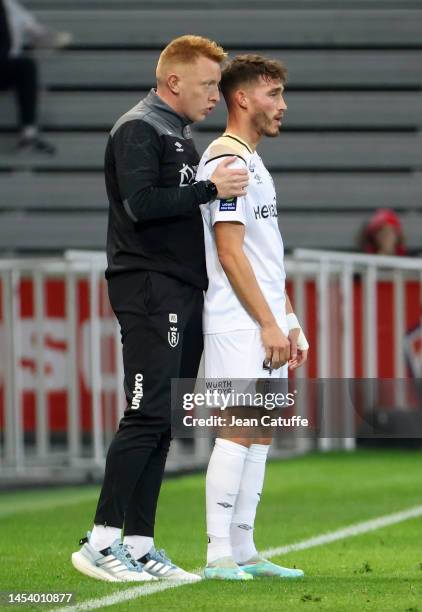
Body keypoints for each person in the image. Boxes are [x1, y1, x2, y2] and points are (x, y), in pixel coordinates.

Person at [71, 35, 249, 583]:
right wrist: (208, 187)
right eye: (207, 85)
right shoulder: (139, 128)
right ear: (173, 82)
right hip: (148, 284)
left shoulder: (175, 131)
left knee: (163, 419)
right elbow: (140, 204)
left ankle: (141, 544)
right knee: (146, 411)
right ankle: (100, 542)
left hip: (177, 285)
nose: (216, 97)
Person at [196, 54, 309, 580]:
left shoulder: (252, 160)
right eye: (273, 94)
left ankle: (244, 550)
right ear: (241, 98)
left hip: (261, 316)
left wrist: (289, 321)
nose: (282, 106)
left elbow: (266, 255)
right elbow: (231, 252)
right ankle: (218, 553)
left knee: (260, 431)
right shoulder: (227, 162)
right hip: (238, 318)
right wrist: (266, 321)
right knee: (236, 430)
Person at [0, 0, 71, 154]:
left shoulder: (9, 6)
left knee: (26, 66)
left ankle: (28, 133)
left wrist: (54, 38)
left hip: (3, 67)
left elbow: (36, 31)